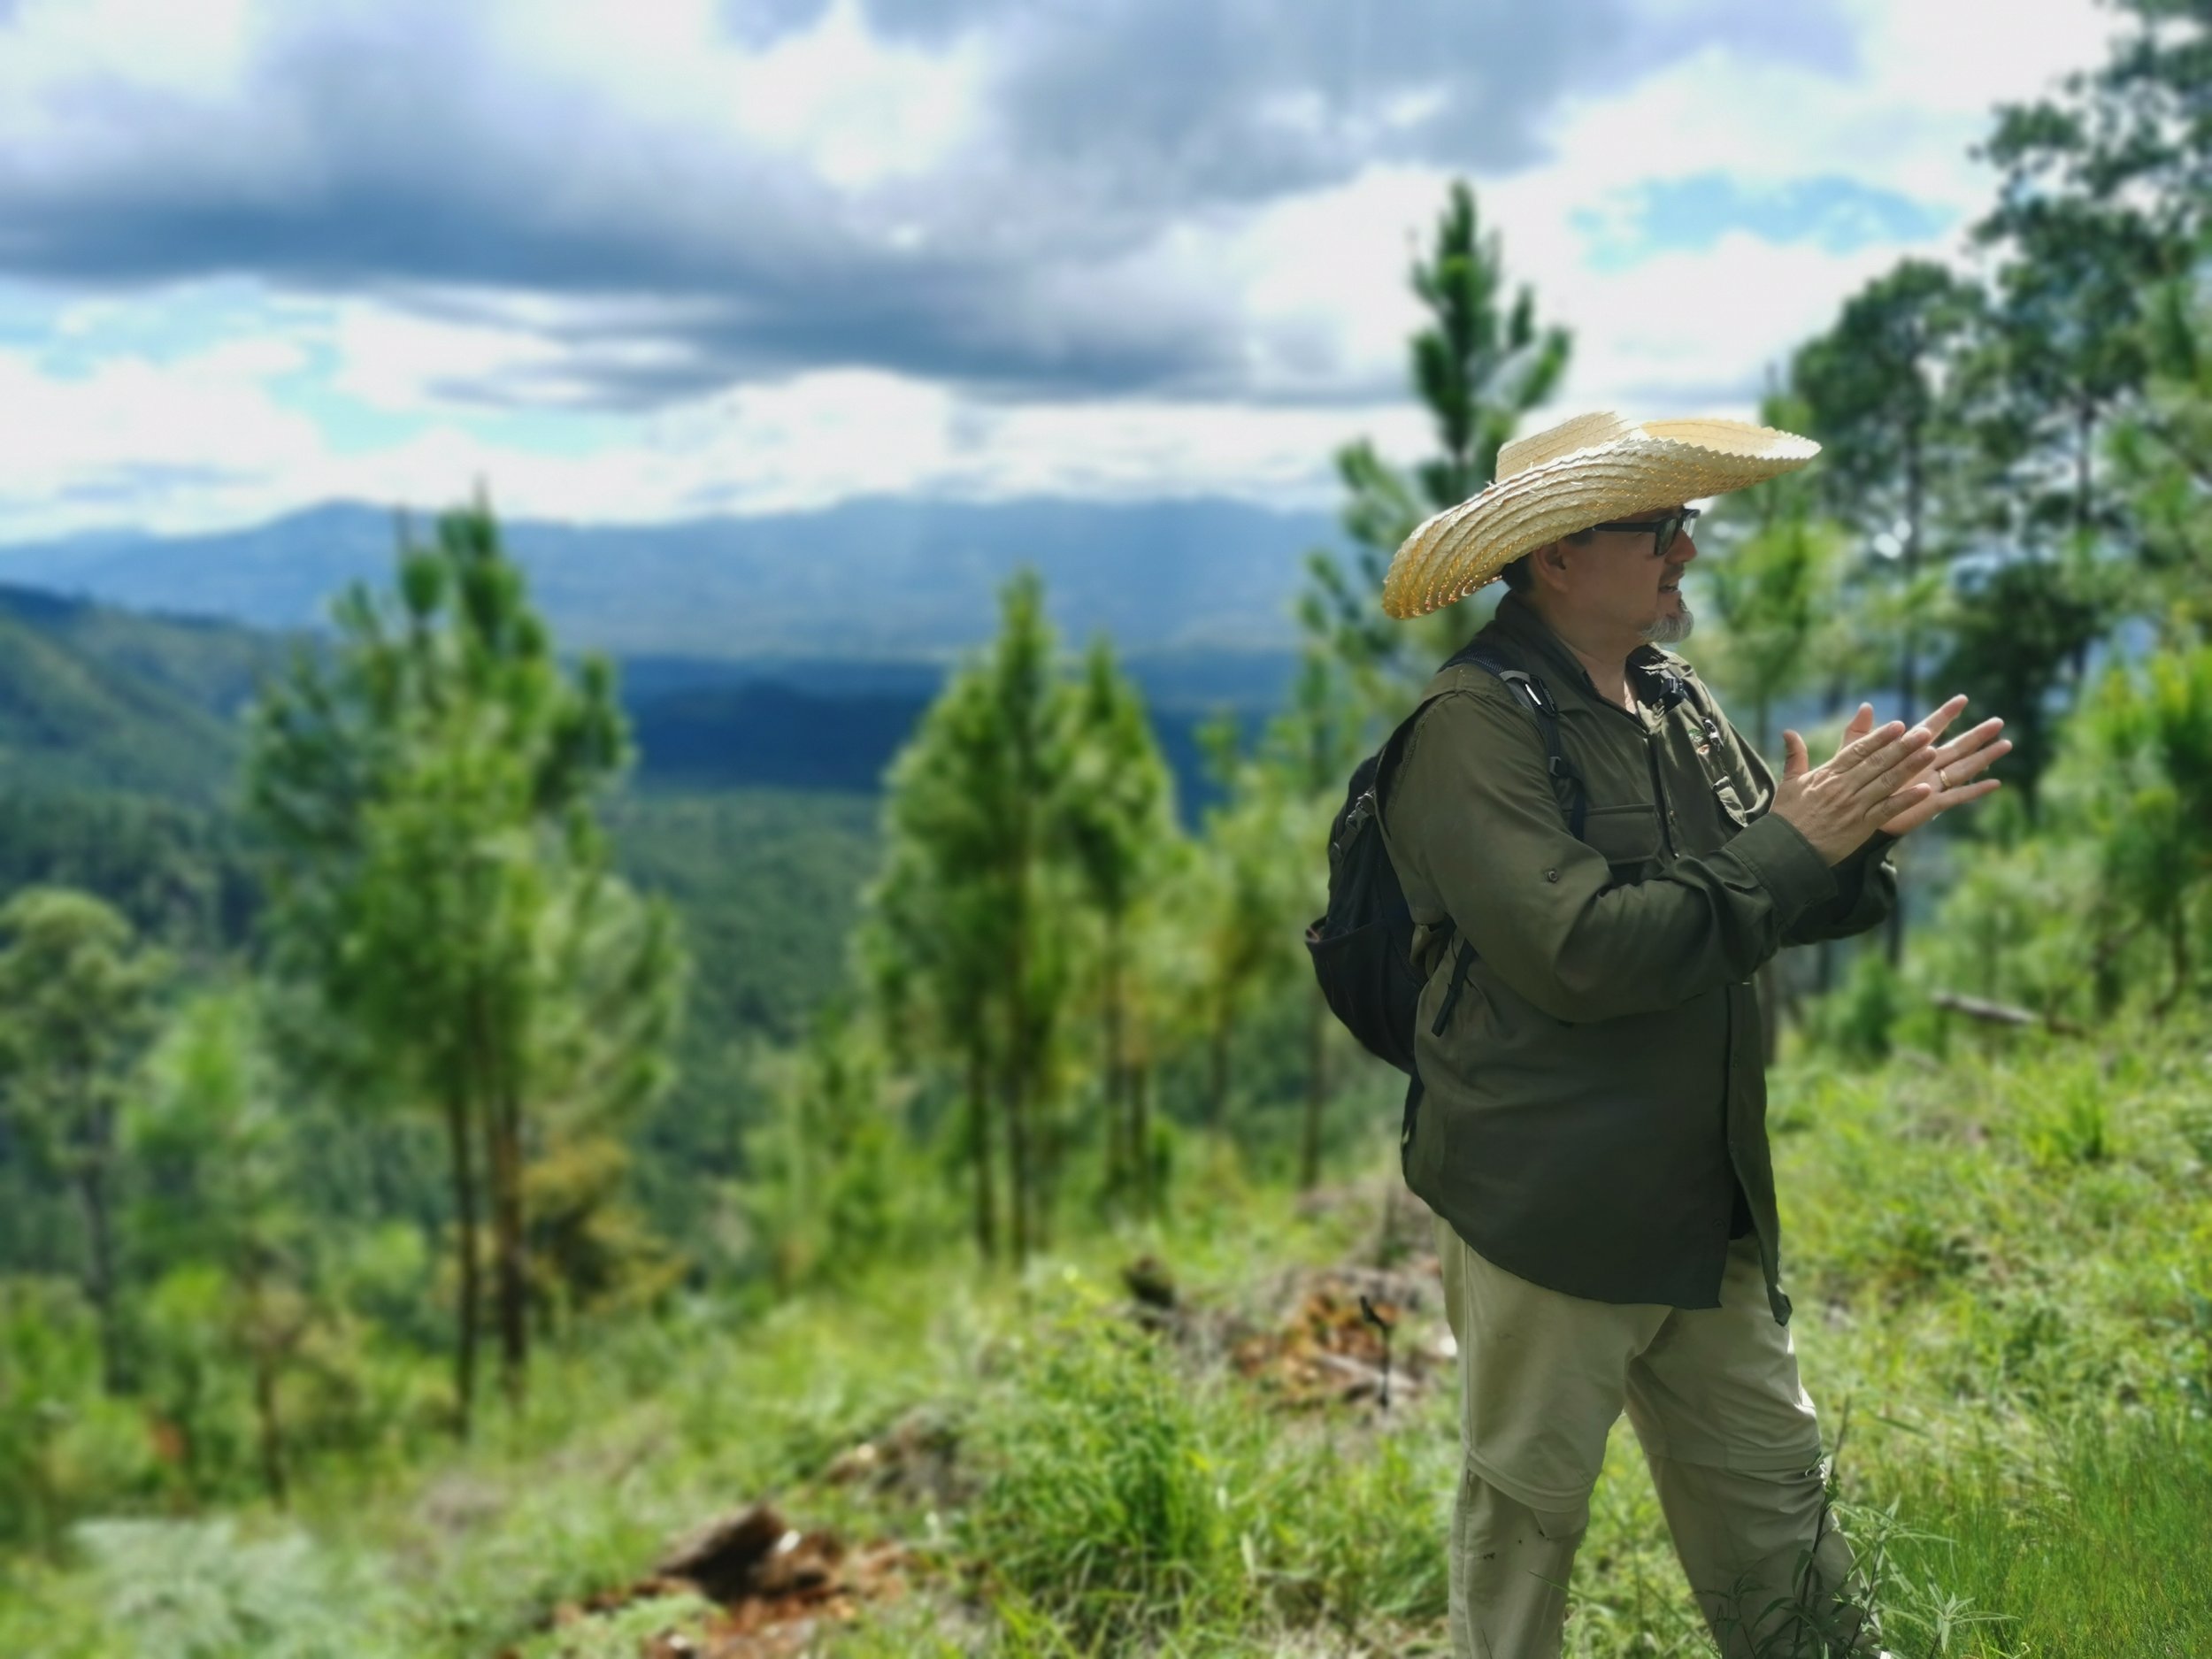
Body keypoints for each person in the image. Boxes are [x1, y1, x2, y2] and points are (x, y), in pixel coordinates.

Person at [1373, 411, 2009, 1658]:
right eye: (1658, 528)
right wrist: (1790, 845)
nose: (1686, 554)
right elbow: (1583, 952)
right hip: (1547, 1210)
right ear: (1557, 555)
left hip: (1701, 1195)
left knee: (1777, 1505)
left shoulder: (1671, 698)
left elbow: (1738, 906)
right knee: (1526, 1527)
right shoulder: (1471, 728)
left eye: (1689, 524)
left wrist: (1856, 840)